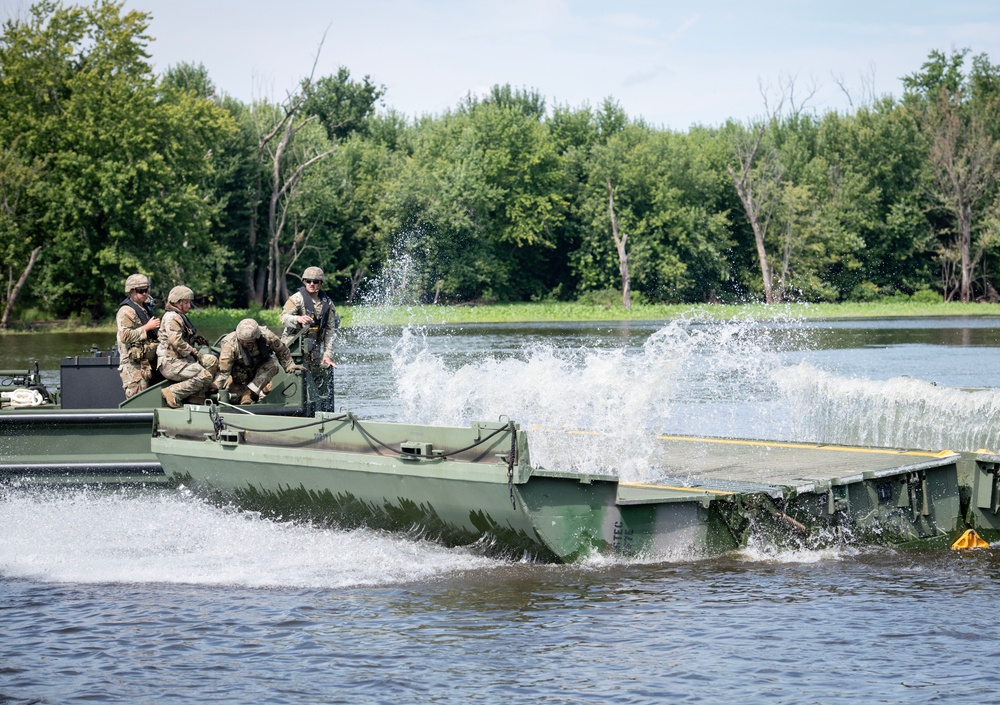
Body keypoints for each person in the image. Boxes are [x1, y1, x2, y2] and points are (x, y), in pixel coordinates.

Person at [156, 285, 219, 409]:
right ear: (177, 302)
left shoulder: (179, 316)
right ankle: (173, 392)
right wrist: (194, 352)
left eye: (189, 302)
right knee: (205, 375)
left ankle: (197, 396)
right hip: (171, 362)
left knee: (212, 361)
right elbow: (176, 341)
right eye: (186, 302)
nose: (189, 306)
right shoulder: (172, 317)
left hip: (181, 359)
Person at [215, 318, 304, 404]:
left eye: (250, 342)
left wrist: (290, 365)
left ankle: (250, 392)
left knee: (273, 364)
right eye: (243, 342)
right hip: (239, 374)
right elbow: (224, 371)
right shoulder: (229, 344)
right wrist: (215, 387)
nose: (246, 344)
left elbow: (282, 351)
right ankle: (254, 392)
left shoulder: (267, 336)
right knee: (233, 399)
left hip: (261, 369)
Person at [280, 266, 337, 370]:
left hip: (314, 348)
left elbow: (330, 331)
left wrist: (327, 355)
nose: (311, 284)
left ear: (321, 283)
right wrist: (298, 319)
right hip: (292, 347)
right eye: (308, 281)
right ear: (304, 281)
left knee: (315, 378)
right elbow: (283, 318)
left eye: (315, 281)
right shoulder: (296, 299)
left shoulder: (327, 304)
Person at [116, 273, 160, 398]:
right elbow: (125, 336)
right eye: (141, 291)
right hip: (133, 365)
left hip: (146, 361)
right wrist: (147, 327)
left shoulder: (145, 308)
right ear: (131, 291)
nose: (145, 293)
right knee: (138, 398)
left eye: (146, 290)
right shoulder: (126, 311)